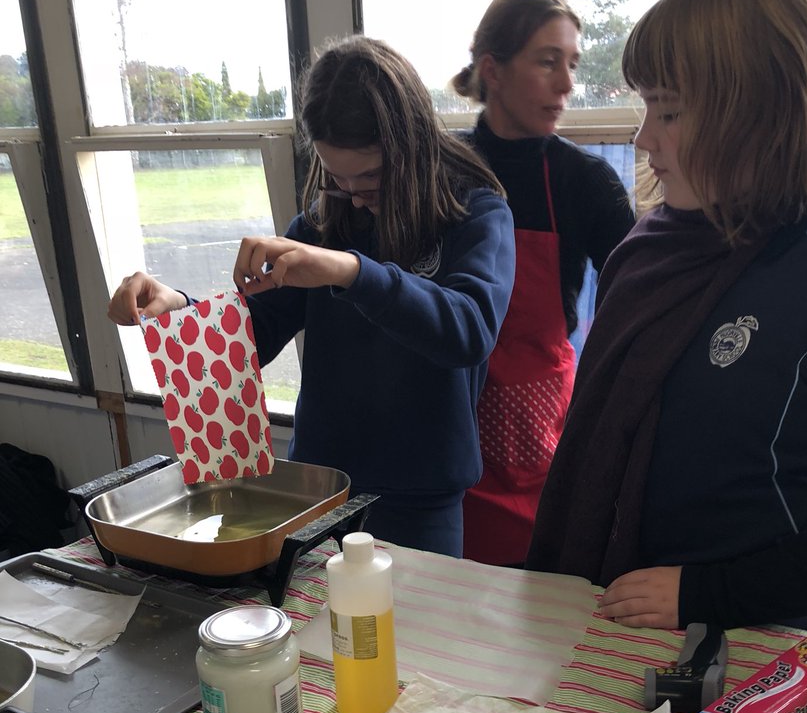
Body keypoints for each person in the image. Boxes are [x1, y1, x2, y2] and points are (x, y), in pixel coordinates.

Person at [526, 0, 807, 632]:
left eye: (667, 111)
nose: (642, 140)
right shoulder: (647, 248)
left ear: (762, 111)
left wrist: (712, 594)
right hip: (623, 620)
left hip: (781, 650)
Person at [109, 37, 515, 557]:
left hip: (420, 501)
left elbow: (469, 330)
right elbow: (251, 336)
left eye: (370, 175)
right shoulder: (324, 223)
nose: (355, 195)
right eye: (337, 177)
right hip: (319, 491)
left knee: (408, 635)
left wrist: (351, 272)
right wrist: (179, 311)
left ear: (414, 149)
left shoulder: (475, 214)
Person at [451, 0, 635, 566]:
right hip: (451, 422)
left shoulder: (585, 182)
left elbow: (639, 303)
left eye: (572, 64)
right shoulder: (440, 169)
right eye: (548, 61)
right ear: (492, 70)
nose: (566, 84)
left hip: (542, 436)